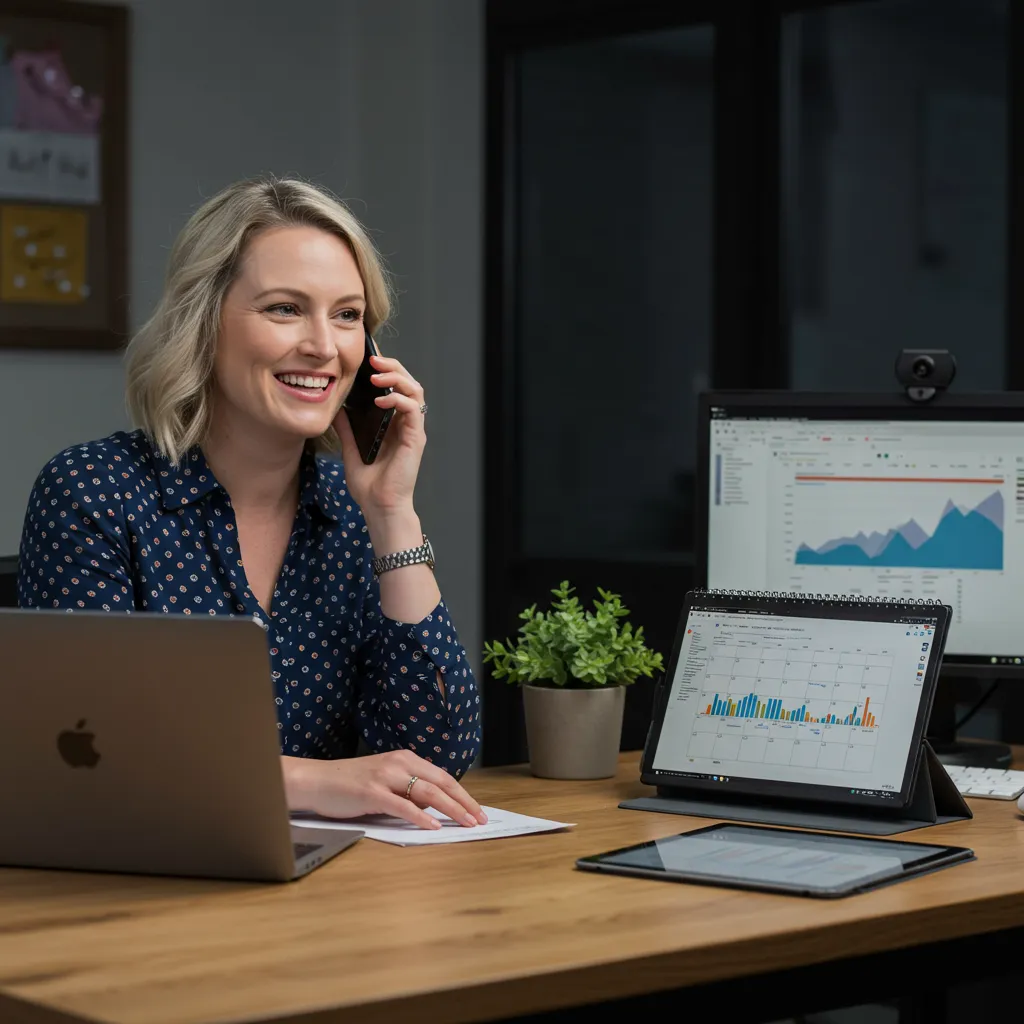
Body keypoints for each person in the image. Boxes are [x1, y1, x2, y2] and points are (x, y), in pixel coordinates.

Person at [17, 176, 484, 831]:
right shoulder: (94, 492)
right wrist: (313, 781)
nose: (325, 346)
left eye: (348, 315)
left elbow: (439, 757)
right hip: (143, 885)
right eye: (285, 309)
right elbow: (84, 747)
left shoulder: (352, 516)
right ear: (203, 324)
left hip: (328, 891)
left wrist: (391, 512)